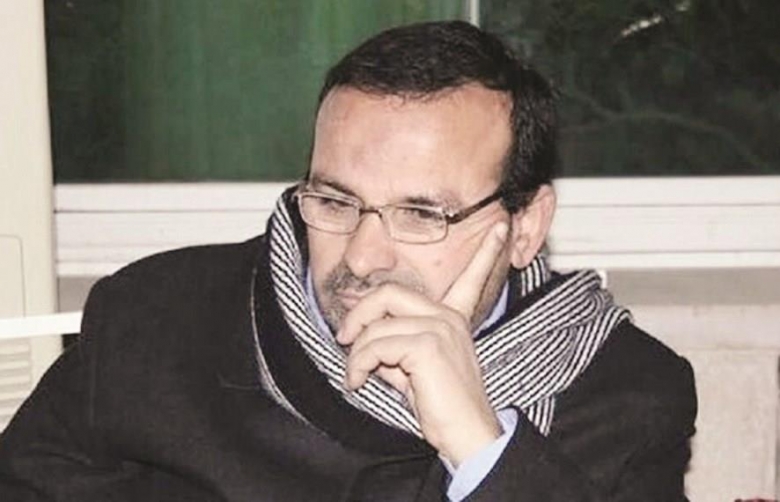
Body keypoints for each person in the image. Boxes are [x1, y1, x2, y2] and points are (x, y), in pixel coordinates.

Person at [0, 20, 696, 501]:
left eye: (420, 214)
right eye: (335, 201)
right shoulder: (157, 317)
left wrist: (481, 445)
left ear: (524, 227)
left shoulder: (628, 397)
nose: (361, 257)